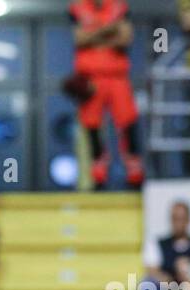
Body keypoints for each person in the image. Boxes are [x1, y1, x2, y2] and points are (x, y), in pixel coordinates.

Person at [68, 0, 144, 188]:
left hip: (117, 76)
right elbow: (78, 39)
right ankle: (98, 176)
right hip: (91, 79)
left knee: (127, 122)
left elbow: (125, 39)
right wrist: (108, 30)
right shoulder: (78, 8)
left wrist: (93, 35)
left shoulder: (119, 7)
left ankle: (134, 175)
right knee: (92, 126)